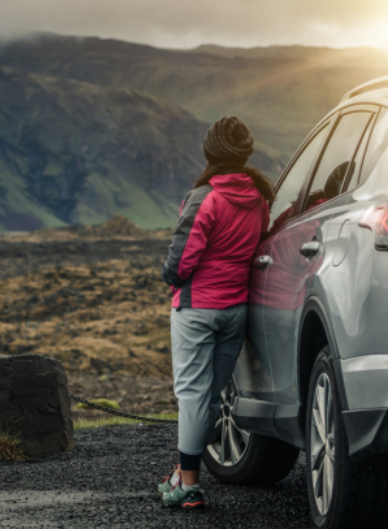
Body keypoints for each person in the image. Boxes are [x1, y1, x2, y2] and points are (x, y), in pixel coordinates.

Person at [155, 116, 273, 510]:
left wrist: (169, 276)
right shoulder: (259, 198)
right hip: (234, 311)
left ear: (211, 152)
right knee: (210, 398)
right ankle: (182, 471)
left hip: (197, 309)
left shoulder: (205, 197)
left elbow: (182, 259)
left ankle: (188, 486)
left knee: (191, 394)